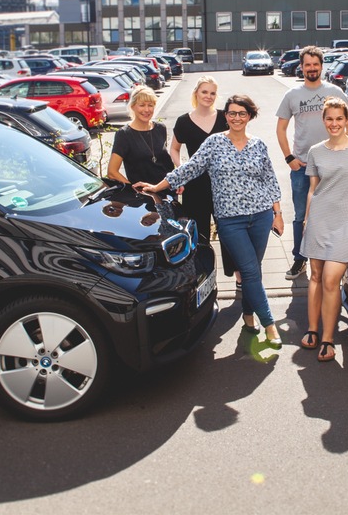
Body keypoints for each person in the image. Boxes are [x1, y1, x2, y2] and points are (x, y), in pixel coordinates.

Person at [137, 94, 283, 345]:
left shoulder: (258, 144)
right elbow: (188, 169)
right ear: (225, 116)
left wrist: (277, 214)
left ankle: (248, 315)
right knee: (248, 270)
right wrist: (157, 186)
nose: (236, 117)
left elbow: (269, 180)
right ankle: (270, 324)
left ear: (250, 116)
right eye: (232, 113)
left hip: (261, 216)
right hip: (230, 220)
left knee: (252, 272)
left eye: (242, 113)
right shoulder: (214, 143)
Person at [300, 98, 348, 363]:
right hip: (320, 219)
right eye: (329, 119)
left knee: (332, 279)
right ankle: (312, 329)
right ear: (324, 121)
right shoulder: (315, 151)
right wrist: (307, 221)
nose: (334, 124)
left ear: (347, 120)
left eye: (339, 119)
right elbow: (313, 190)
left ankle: (328, 339)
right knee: (316, 276)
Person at [275, 46, 348, 280]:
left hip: (333, 166)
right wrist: (289, 159)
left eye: (316, 64)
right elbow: (281, 128)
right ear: (302, 66)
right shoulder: (293, 94)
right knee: (300, 215)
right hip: (303, 167)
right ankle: (299, 259)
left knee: (333, 213)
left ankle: (331, 258)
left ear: (321, 66)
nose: (312, 68)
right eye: (307, 64)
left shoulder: (334, 91)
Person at [169, 76, 237, 284]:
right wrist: (181, 171)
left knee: (229, 231)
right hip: (195, 186)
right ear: (196, 93)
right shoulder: (183, 121)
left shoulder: (225, 118)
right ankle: (204, 278)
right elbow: (174, 148)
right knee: (200, 235)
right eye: (204, 92)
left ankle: (239, 277)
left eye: (212, 93)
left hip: (223, 185)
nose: (208, 96)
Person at [107, 86, 174, 185]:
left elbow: (164, 162)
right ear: (133, 106)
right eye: (142, 105)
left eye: (150, 105)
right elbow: (112, 172)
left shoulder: (160, 128)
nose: (146, 110)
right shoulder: (124, 134)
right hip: (146, 195)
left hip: (167, 190)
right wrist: (134, 190)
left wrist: (175, 181)